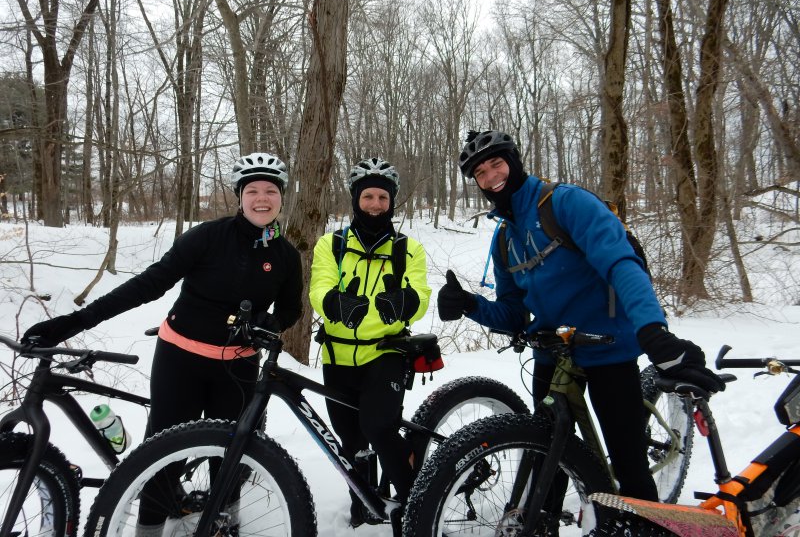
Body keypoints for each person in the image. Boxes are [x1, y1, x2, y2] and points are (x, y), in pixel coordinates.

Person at [437, 130, 725, 534]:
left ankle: (645, 526)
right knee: (545, 452)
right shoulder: (505, 238)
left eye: (496, 164)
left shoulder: (566, 203)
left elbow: (621, 263)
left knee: (628, 460)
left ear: (514, 162)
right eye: (480, 173)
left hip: (608, 347)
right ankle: (542, 524)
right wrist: (471, 305)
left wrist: (652, 329)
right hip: (553, 356)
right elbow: (515, 314)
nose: (491, 177)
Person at [22, 152, 303, 536]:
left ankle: (226, 525)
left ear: (282, 197)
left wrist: (273, 323)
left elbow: (290, 309)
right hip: (181, 359)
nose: (262, 198)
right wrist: (72, 323)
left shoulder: (286, 256)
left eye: (270, 190)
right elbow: (150, 284)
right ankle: (150, 530)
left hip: (238, 366)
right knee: (162, 454)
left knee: (230, 456)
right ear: (240, 196)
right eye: (252, 190)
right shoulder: (207, 237)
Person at [309, 157, 432, 532]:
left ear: (391, 201)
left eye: (382, 197)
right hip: (338, 356)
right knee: (351, 439)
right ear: (355, 199)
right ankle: (363, 505)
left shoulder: (408, 248)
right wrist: (335, 303)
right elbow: (319, 287)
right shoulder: (332, 244)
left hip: (386, 352)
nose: (375, 204)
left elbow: (421, 293)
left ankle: (418, 505)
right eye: (368, 197)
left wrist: (404, 301)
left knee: (377, 427)